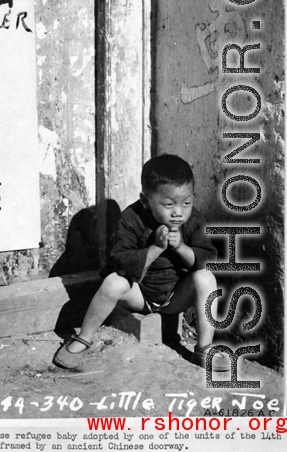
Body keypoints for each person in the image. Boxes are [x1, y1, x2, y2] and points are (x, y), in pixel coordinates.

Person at [53, 154, 228, 371]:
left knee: (206, 277)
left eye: (187, 203)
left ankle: (204, 348)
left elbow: (208, 258)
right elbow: (121, 262)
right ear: (145, 201)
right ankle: (84, 338)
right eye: (168, 204)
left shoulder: (193, 220)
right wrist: (155, 248)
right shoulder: (131, 218)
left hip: (175, 297)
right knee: (112, 283)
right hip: (140, 295)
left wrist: (182, 248)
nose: (178, 212)